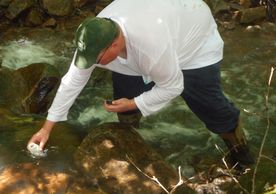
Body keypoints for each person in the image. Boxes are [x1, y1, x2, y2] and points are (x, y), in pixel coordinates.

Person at [28, 0, 254, 169]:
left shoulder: (151, 47)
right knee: (124, 96)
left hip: (194, 42)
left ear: (114, 45)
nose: (92, 65)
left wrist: (135, 102)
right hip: (156, 28)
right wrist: (47, 128)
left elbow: (173, 86)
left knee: (208, 104)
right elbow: (73, 80)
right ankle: (130, 140)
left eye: (96, 61)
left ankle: (240, 151)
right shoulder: (93, 36)